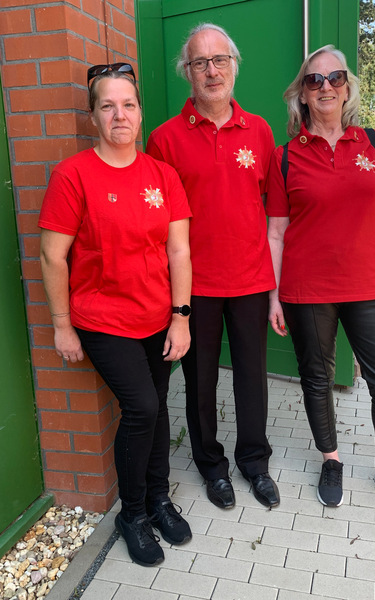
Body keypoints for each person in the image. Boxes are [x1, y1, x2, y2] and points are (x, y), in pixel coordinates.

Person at [39, 63, 193, 567]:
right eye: (107, 106)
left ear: (140, 114)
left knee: (158, 406)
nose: (119, 115)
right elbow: (52, 256)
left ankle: (159, 498)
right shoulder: (73, 175)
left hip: (158, 316)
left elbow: (179, 251)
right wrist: (62, 325)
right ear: (93, 117)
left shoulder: (162, 175)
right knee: (143, 408)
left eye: (127, 105)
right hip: (103, 319)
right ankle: (133, 514)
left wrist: (181, 316)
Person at [266, 45, 375, 509]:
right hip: (307, 289)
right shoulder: (285, 157)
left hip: (370, 285)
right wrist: (274, 296)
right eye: (314, 80)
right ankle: (330, 460)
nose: (326, 86)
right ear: (302, 94)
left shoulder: (372, 143)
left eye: (335, 77)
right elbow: (276, 232)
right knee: (317, 380)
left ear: (347, 87)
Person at [146, 23, 280, 509]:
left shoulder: (260, 131)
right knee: (200, 383)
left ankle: (255, 462)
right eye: (200, 62)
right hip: (195, 286)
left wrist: (275, 288)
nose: (211, 71)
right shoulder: (164, 139)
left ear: (234, 65)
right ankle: (211, 466)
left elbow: (272, 212)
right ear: (187, 72)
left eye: (220, 60)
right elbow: (157, 223)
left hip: (250, 278)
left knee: (252, 379)